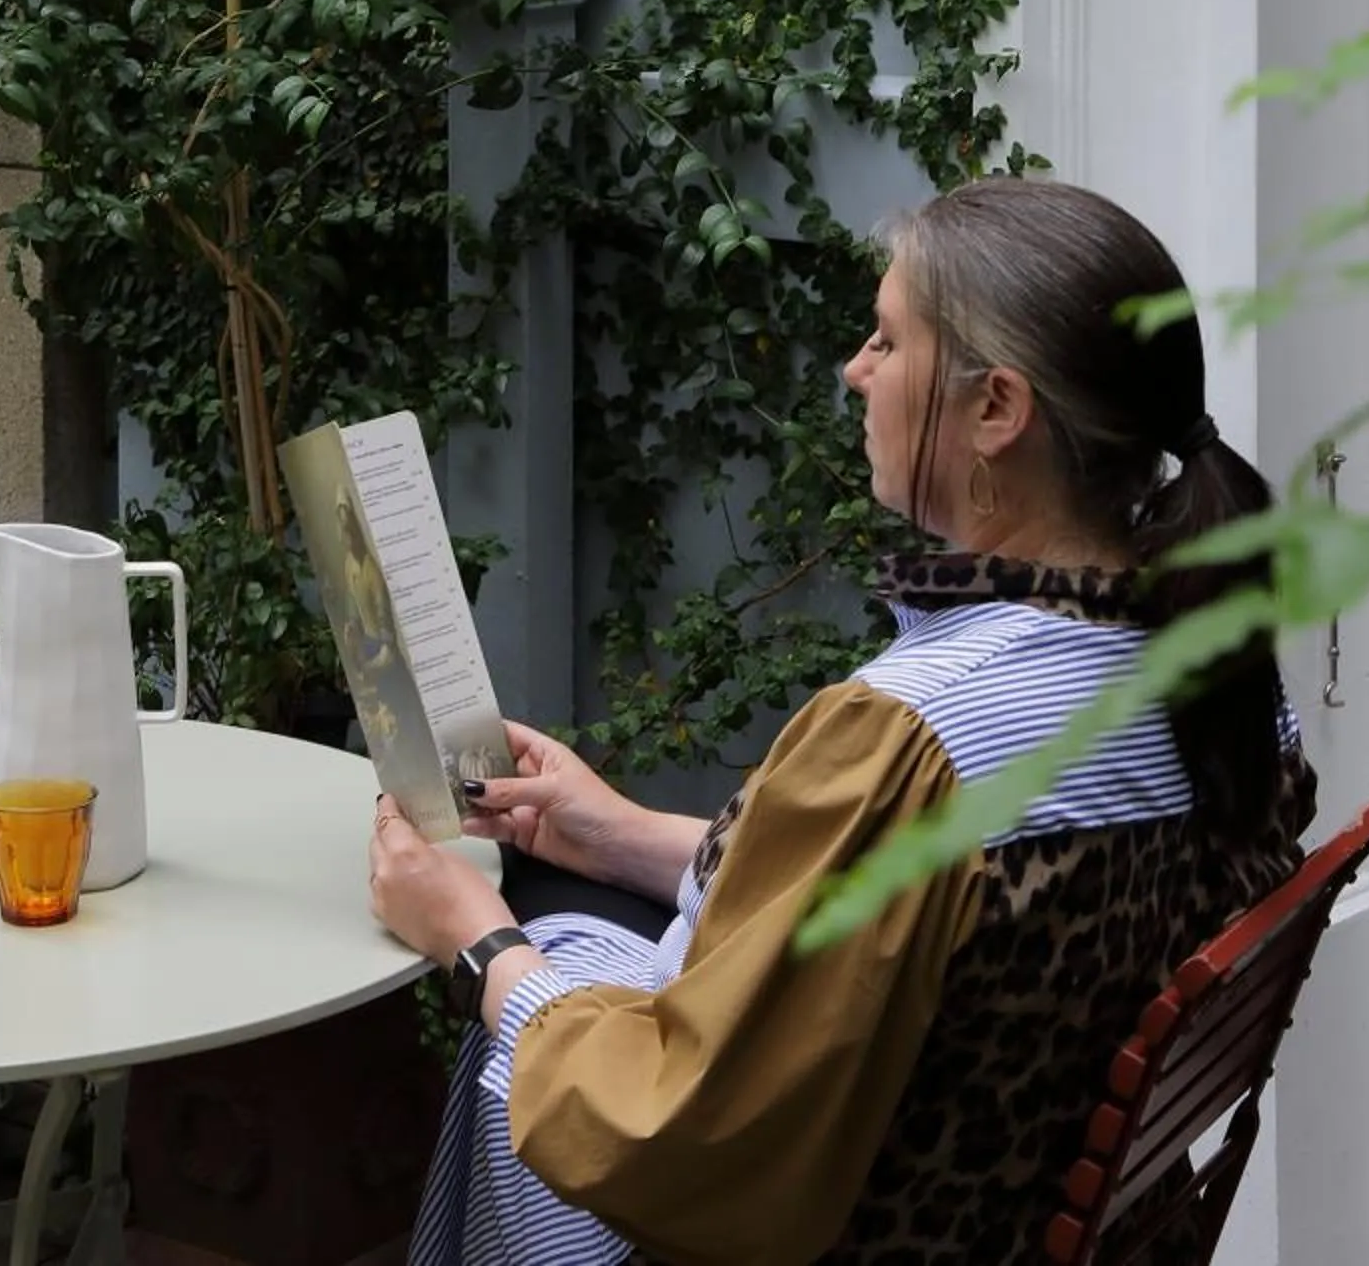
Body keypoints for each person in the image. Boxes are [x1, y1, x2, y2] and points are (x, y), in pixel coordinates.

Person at [367, 178, 1314, 1266]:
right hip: (1019, 1218)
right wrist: (617, 832)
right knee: (573, 909)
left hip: (839, 1229)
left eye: (887, 340)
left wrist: (475, 943)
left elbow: (673, 1139)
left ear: (995, 410)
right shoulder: (1219, 674)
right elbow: (924, 913)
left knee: (528, 981)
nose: (854, 370)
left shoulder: (918, 737)